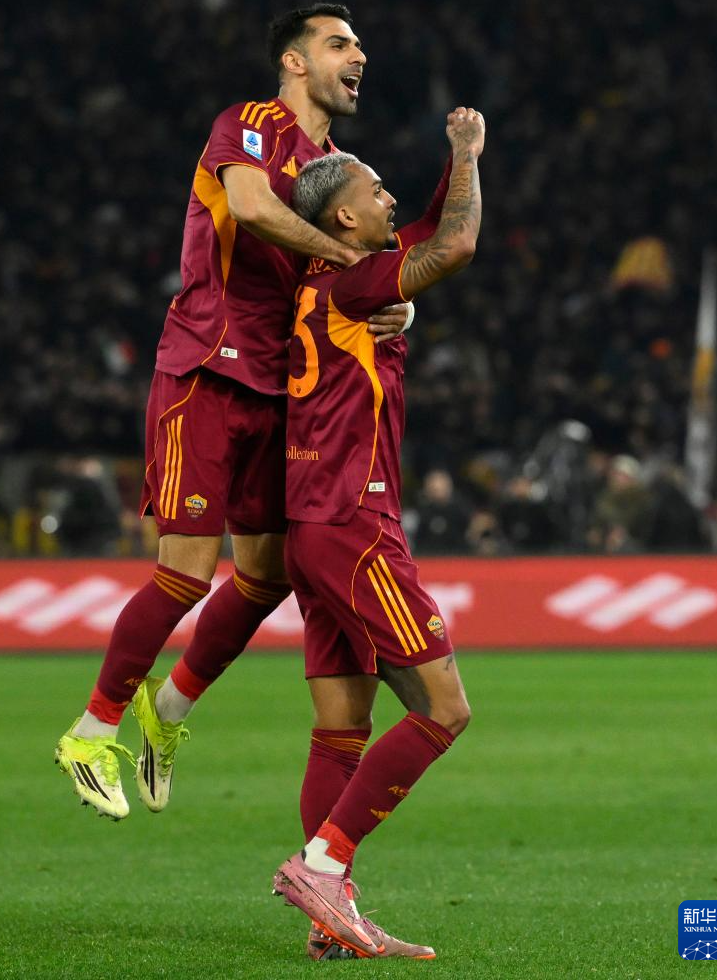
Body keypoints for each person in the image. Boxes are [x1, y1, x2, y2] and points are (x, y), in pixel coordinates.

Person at [54, 4, 412, 819]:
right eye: (339, 43)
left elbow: (384, 270)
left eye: (359, 44)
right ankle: (91, 730)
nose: (358, 55)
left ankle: (167, 707)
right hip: (208, 368)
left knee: (270, 571)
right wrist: (343, 253)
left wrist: (403, 306)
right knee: (186, 571)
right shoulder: (248, 124)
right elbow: (249, 206)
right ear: (294, 61)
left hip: (285, 390)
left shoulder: (337, 170)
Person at [271, 106, 485, 958]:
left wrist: (455, 163)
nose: (389, 197)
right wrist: (466, 150)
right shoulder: (353, 279)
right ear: (343, 217)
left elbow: (432, 224)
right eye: (376, 188)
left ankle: (328, 916)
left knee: (341, 729)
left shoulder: (331, 284)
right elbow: (455, 244)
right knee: (444, 709)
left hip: (310, 527)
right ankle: (325, 864)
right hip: (356, 523)